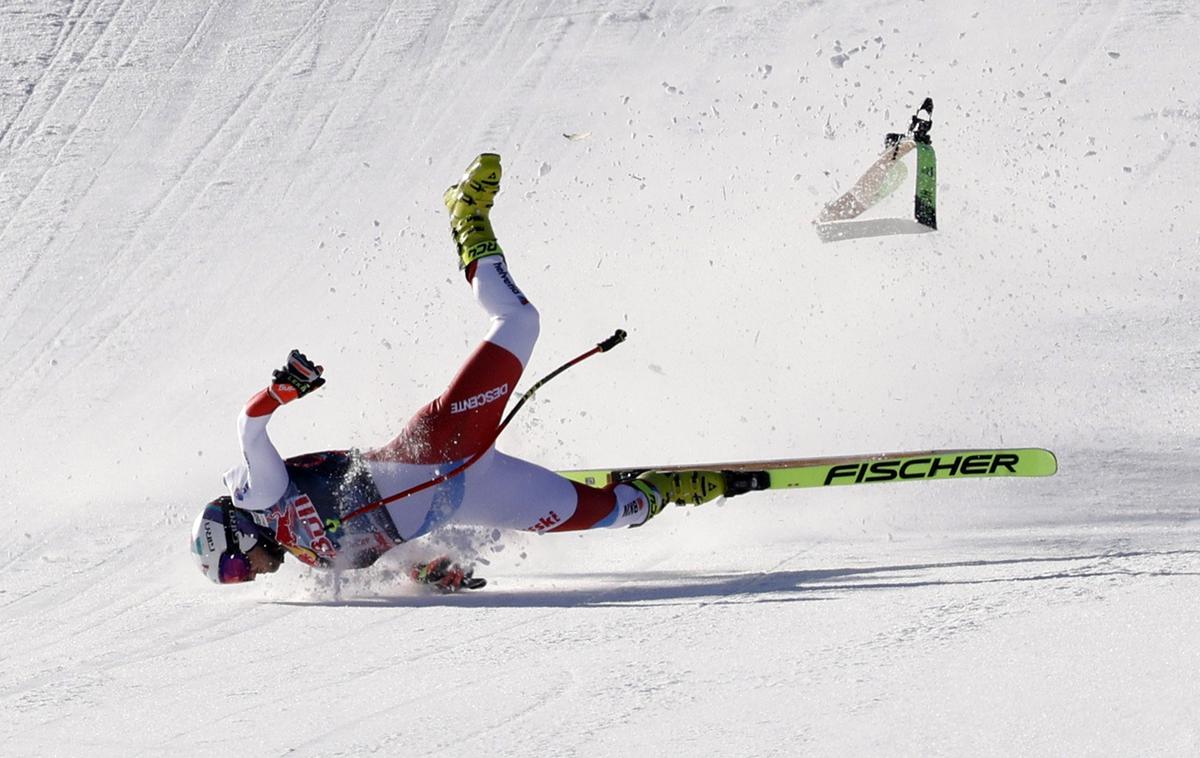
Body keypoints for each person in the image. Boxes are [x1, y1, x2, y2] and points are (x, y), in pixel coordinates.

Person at [190, 154, 732, 590]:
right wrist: (427, 572)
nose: (250, 576)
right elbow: (384, 543)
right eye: (238, 579)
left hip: (441, 444)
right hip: (473, 493)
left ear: (235, 535)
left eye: (237, 568)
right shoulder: (309, 556)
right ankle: (671, 490)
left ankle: (466, 219)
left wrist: (280, 391)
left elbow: (248, 426)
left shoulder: (259, 496)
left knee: (519, 320)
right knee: (608, 514)